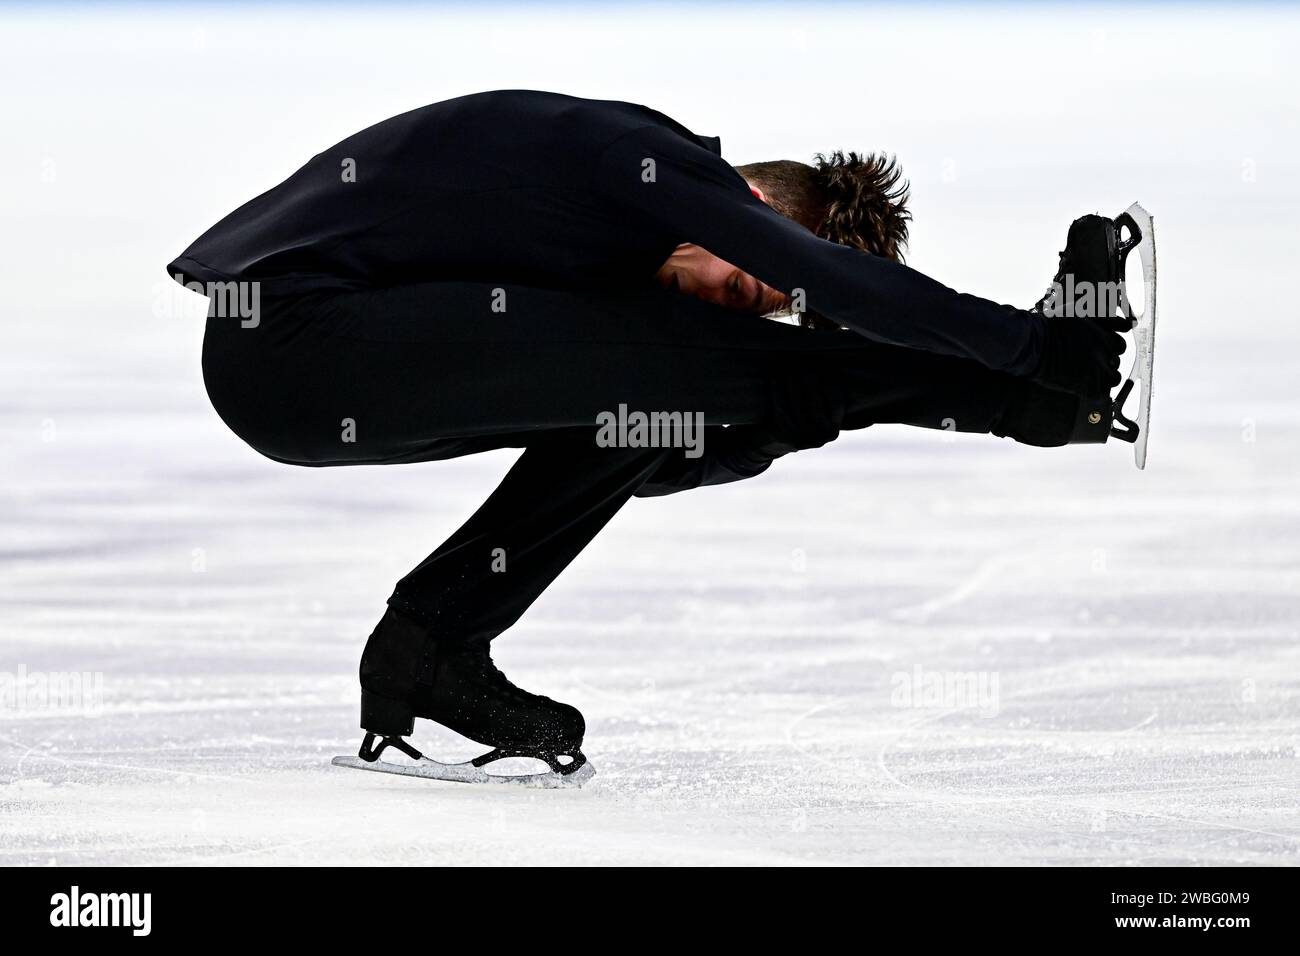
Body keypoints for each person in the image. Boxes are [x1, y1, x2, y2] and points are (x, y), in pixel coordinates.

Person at [168, 89, 1125, 779]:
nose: (733, 304)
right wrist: (1031, 342)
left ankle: (429, 648)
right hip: (284, 335)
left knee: (669, 389)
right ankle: (1052, 380)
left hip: (306, 367)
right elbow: (821, 287)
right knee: (699, 361)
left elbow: (648, 454)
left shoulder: (609, 272)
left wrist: (783, 422)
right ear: (752, 212)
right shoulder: (642, 160)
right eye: (749, 284)